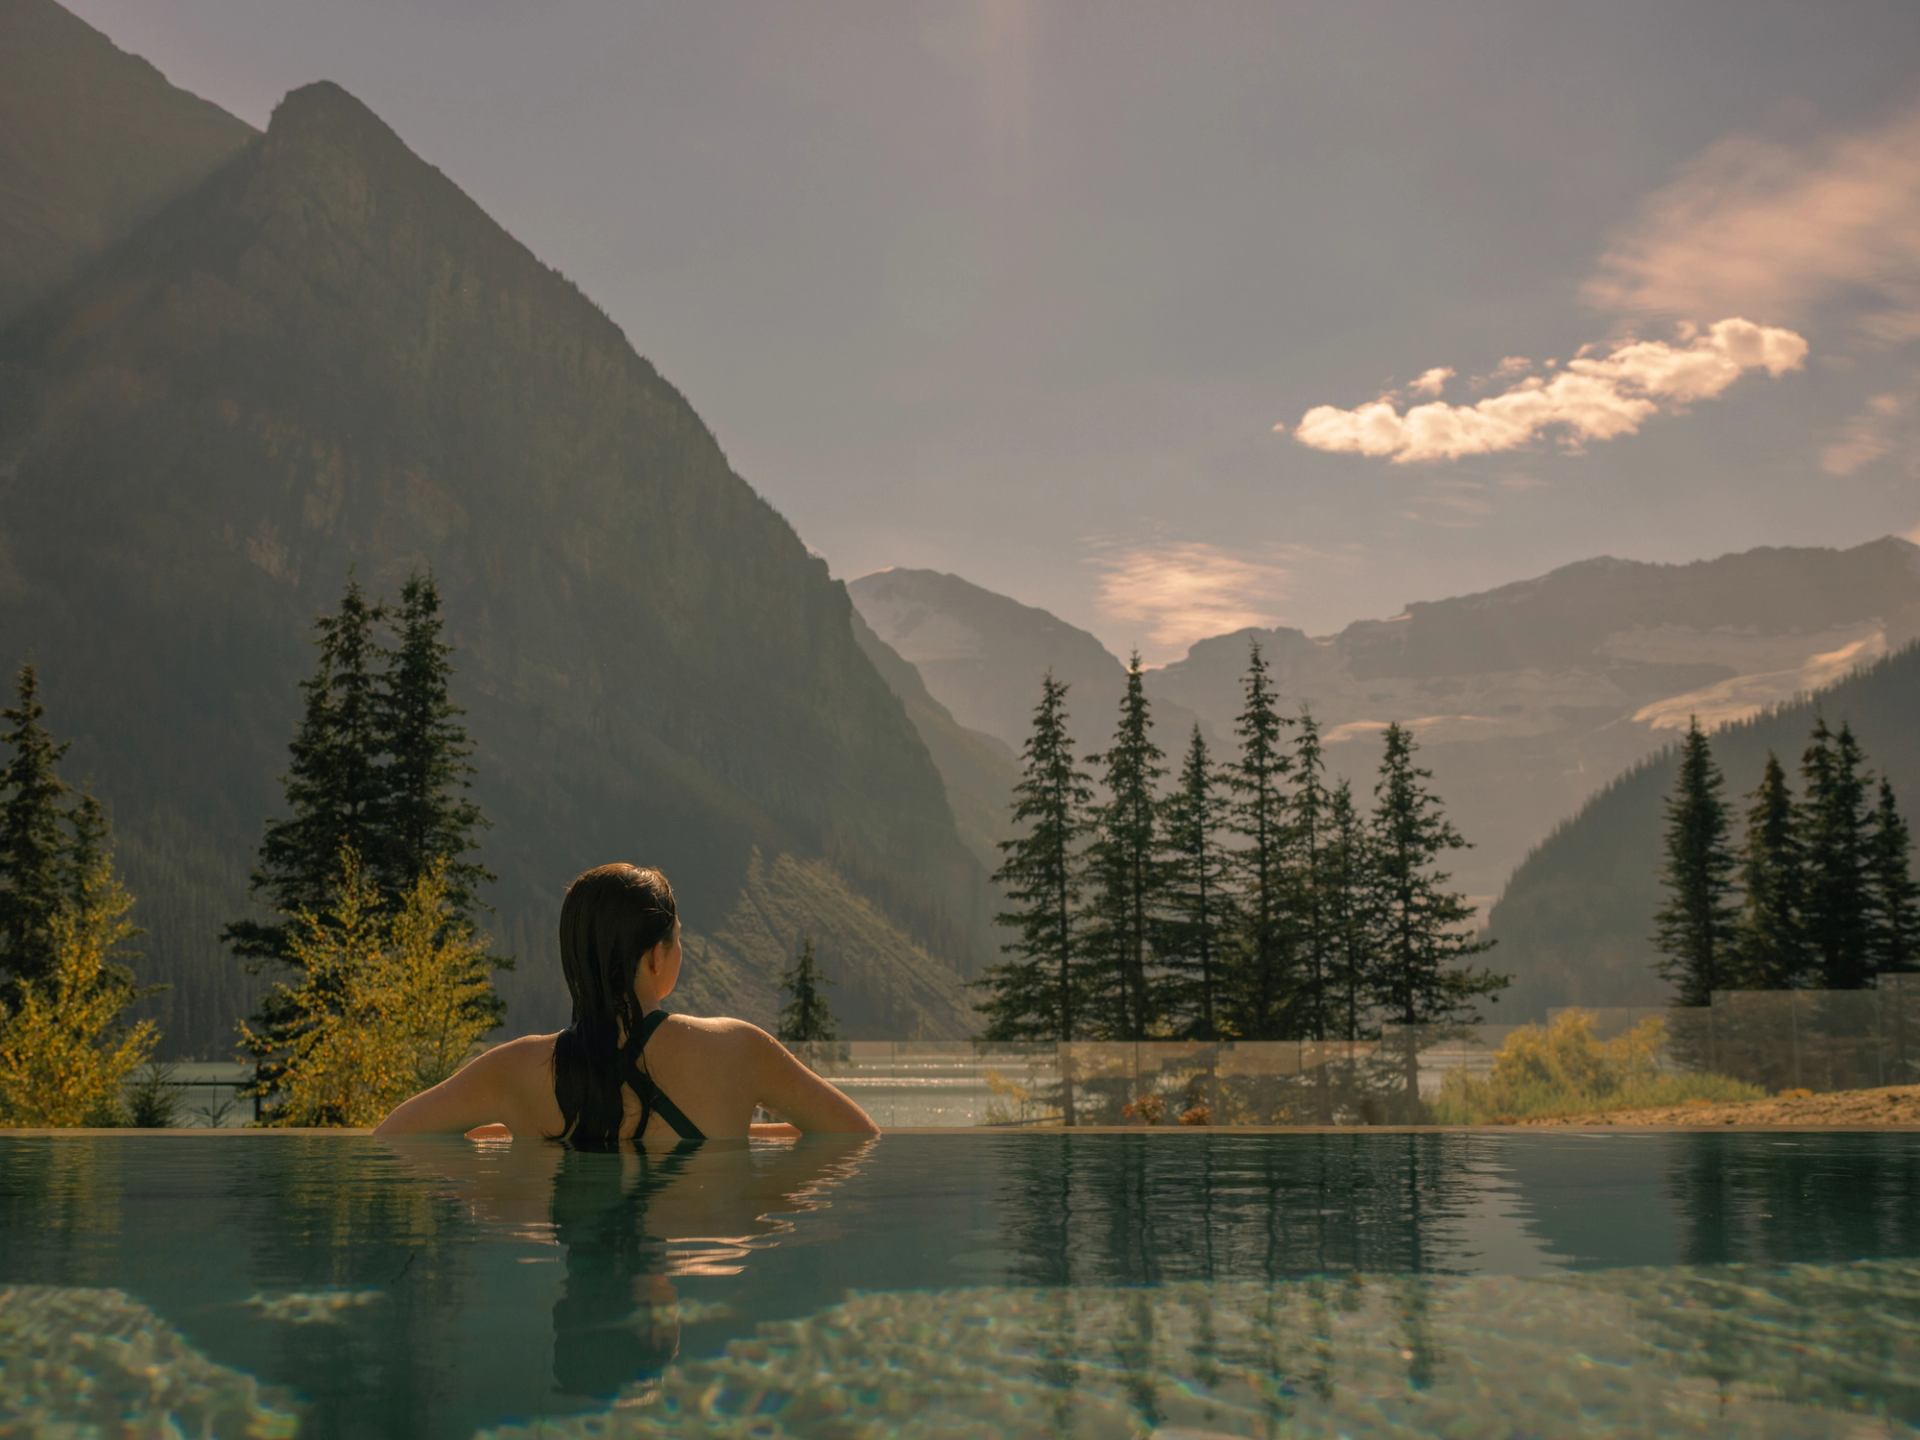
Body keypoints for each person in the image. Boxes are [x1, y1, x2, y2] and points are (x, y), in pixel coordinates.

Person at [371, 862, 878, 1142]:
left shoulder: (515, 1069)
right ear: (657, 956)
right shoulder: (738, 1049)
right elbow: (857, 1138)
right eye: (677, 938)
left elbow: (393, 1138)